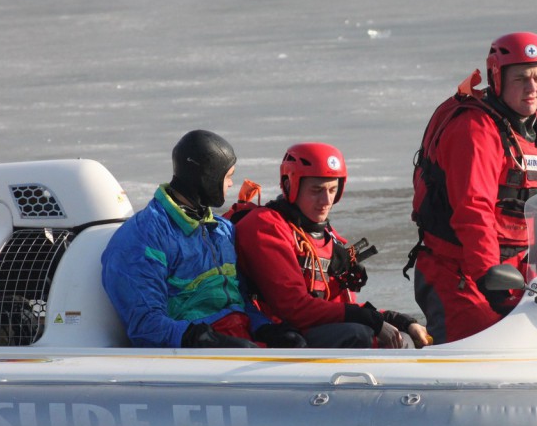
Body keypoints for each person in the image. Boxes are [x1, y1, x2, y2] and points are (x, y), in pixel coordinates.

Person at [407, 31, 537, 344]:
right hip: (461, 274)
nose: (531, 88)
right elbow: (474, 209)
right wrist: (488, 279)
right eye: (520, 78)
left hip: (513, 273)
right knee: (488, 341)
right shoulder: (475, 131)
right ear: (497, 79)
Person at [101, 129, 305, 349]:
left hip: (238, 337)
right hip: (191, 355)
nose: (231, 184)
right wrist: (200, 339)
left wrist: (264, 327)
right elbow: (145, 325)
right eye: (228, 176)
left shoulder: (222, 230)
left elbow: (240, 299)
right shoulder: (143, 236)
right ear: (207, 177)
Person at [234, 142, 430, 349]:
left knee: (404, 336)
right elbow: (295, 309)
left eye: (332, 190)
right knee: (359, 335)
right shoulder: (266, 227)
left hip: (307, 326)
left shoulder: (324, 235)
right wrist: (371, 320)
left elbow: (336, 307)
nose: (326, 200)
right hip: (276, 334)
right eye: (316, 190)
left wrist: (394, 319)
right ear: (290, 185)